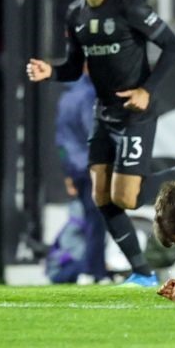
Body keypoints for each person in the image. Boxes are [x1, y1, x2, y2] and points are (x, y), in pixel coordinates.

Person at [26, 0, 175, 287]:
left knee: (127, 199)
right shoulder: (75, 13)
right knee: (102, 198)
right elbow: (73, 66)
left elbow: (173, 47)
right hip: (104, 113)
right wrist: (50, 71)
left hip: (135, 111)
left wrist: (147, 89)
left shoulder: (127, 5)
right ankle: (142, 273)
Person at [54, 69, 108, 284]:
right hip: (91, 167)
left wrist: (68, 173)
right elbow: (91, 132)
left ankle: (91, 269)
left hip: (76, 168)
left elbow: (61, 141)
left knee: (90, 219)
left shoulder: (66, 96)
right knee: (98, 221)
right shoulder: (88, 95)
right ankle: (94, 271)